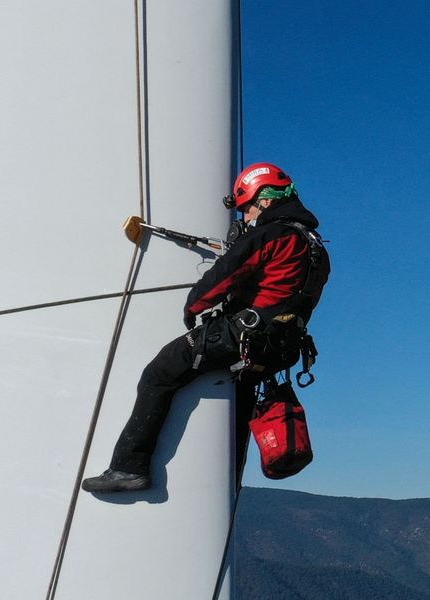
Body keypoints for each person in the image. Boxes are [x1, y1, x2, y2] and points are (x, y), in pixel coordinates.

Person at [82, 162, 330, 493]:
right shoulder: (315, 247)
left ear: (265, 200)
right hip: (280, 348)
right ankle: (232, 484)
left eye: (248, 207)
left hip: (244, 335)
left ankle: (129, 467)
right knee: (239, 409)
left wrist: (194, 306)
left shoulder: (271, 235)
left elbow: (225, 275)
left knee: (160, 373)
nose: (246, 217)